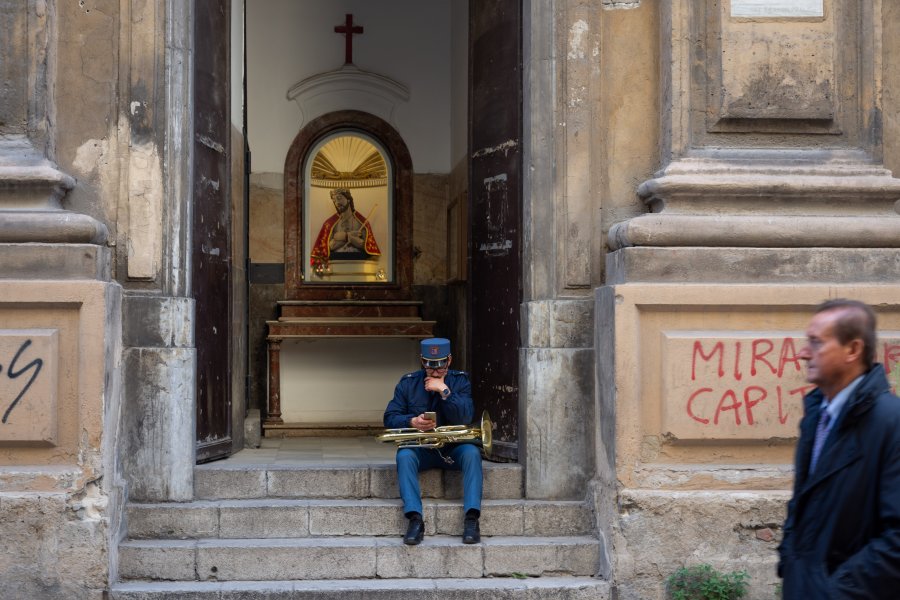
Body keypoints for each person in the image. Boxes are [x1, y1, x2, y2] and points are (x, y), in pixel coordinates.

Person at [779, 299, 900, 598]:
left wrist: (834, 591)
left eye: (817, 343)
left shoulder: (890, 423)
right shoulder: (817, 415)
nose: (804, 353)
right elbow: (803, 507)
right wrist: (790, 564)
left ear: (853, 350)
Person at [383, 337, 483, 545]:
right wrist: (412, 421)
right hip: (422, 448)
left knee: (472, 454)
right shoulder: (408, 383)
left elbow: (465, 416)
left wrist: (445, 391)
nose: (436, 371)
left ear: (449, 360)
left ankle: (472, 518)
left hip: (453, 448)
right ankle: (415, 519)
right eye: (430, 365)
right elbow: (389, 417)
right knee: (404, 455)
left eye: (441, 365)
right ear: (422, 360)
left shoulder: (460, 381)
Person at [310, 188, 380, 266]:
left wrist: (343, 237)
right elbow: (329, 246)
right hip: (336, 262)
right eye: (334, 200)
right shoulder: (329, 223)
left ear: (348, 199)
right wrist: (348, 236)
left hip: (358, 263)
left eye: (339, 198)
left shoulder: (362, 222)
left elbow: (366, 247)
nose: (337, 203)